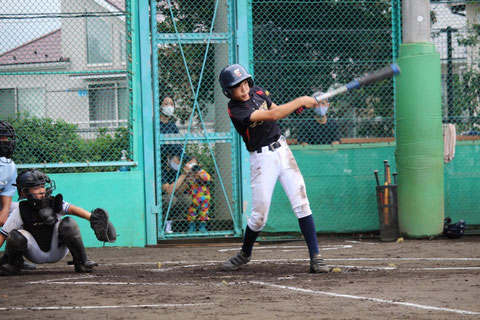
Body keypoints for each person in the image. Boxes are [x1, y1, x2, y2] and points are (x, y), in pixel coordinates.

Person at [218, 63, 330, 273]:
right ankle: (245, 253)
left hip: (283, 151)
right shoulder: (236, 110)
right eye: (236, 86)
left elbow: (276, 109)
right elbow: (272, 115)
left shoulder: (259, 92)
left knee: (301, 202)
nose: (243, 89)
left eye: (244, 83)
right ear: (228, 91)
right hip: (262, 160)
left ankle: (316, 257)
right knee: (259, 216)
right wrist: (300, 100)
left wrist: (303, 106)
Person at [0, 169, 115, 276]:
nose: (41, 191)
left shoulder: (54, 202)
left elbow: (73, 209)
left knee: (68, 223)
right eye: (36, 188)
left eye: (42, 186)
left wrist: (92, 219)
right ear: (24, 193)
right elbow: (3, 234)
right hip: (35, 253)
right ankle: (13, 264)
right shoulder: (21, 209)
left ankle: (81, 261)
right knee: (15, 235)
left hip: (57, 250)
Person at [0, 120, 19, 227]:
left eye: (6, 138)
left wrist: (4, 211)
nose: (6, 141)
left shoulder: (9, 165)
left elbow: (7, 191)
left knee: (20, 211)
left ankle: (19, 243)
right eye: (1, 138)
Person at [186, 163, 212, 233]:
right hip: (193, 196)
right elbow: (187, 184)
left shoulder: (203, 172)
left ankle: (202, 227)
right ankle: (192, 226)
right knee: (191, 211)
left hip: (203, 196)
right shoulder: (189, 174)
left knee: (204, 211)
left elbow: (207, 179)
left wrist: (199, 173)